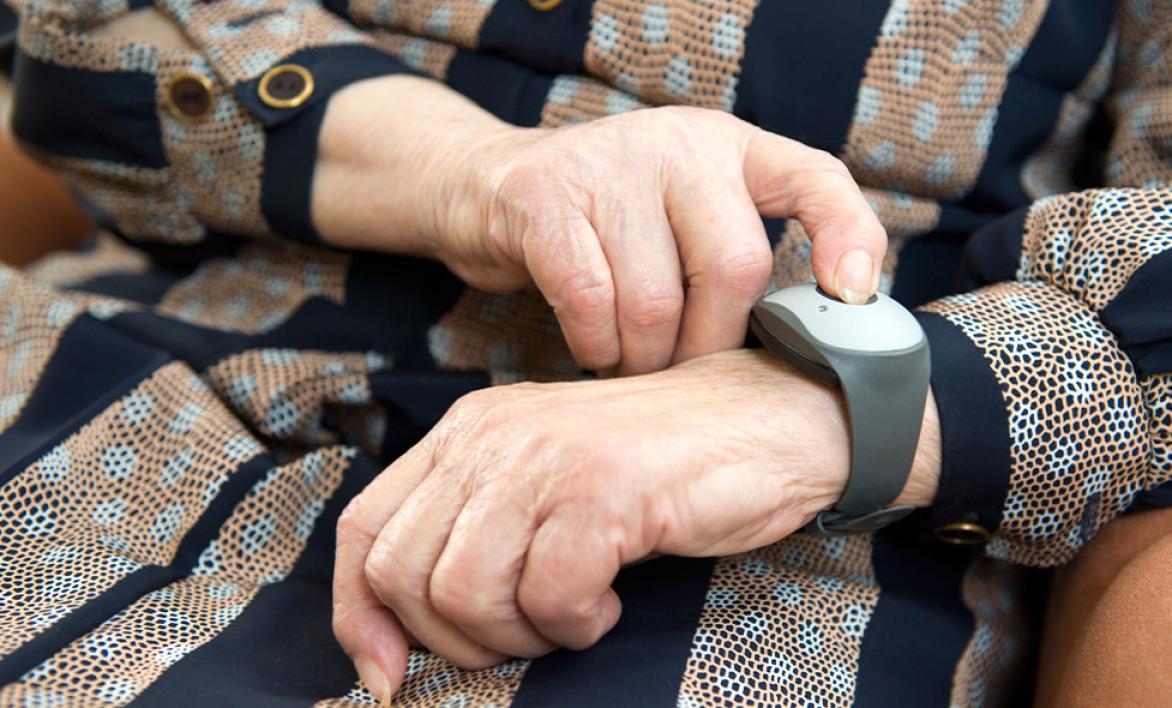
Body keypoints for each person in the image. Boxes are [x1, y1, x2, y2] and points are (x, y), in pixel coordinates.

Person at [0, 0, 1167, 705]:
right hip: (114, 361)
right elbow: (85, 35)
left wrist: (814, 407)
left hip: (762, 556)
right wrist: (479, 172)